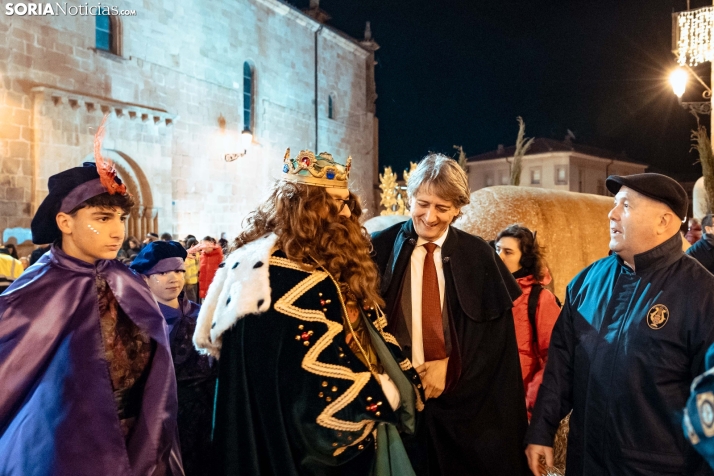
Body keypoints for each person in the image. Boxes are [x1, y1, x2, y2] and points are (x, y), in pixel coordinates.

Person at [194, 149, 422, 475]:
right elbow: (308, 383)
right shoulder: (277, 275)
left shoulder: (302, 260)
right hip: (297, 448)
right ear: (310, 210)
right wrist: (374, 397)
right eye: (338, 203)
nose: (347, 212)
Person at [0, 120, 182, 475]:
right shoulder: (31, 292)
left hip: (137, 444)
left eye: (121, 217)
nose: (118, 230)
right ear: (66, 222)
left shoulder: (128, 282)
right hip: (59, 450)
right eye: (102, 217)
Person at [526, 173, 714, 476]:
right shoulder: (585, 284)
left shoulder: (702, 295)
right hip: (586, 464)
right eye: (615, 204)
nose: (611, 214)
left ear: (663, 222)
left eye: (625, 205)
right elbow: (561, 369)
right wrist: (541, 430)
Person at [370, 153, 528, 475]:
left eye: (442, 208)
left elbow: (496, 348)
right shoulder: (378, 249)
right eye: (422, 203)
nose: (429, 217)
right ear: (409, 198)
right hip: (397, 410)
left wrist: (452, 367)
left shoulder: (480, 256)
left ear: (458, 209)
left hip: (463, 416)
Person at [131, 241, 216, 476]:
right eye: (163, 272)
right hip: (160, 417)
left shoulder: (202, 315)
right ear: (146, 278)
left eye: (178, 271)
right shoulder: (138, 324)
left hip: (205, 418)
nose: (174, 278)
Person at [495, 224, 561, 419]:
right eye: (497, 249)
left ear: (524, 260)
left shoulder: (540, 299)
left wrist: (530, 402)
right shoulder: (490, 293)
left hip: (521, 407)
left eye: (508, 252)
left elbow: (554, 357)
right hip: (489, 405)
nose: (499, 257)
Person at [196, 236, 223, 301]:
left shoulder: (218, 254)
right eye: (203, 245)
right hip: (203, 288)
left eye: (206, 245)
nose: (204, 247)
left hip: (214, 288)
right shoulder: (202, 255)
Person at [183, 237, 199, 303]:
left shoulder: (196, 255)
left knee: (194, 300)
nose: (198, 249)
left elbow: (197, 268)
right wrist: (189, 282)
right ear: (192, 245)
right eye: (197, 247)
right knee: (191, 300)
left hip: (195, 281)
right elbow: (187, 271)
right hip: (188, 283)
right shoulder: (186, 256)